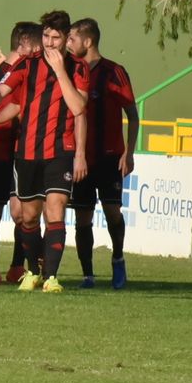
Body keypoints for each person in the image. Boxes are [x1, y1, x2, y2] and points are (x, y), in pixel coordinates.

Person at [0, 14, 89, 293]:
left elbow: (78, 108)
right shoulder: (27, 65)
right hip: (26, 151)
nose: (50, 43)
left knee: (56, 210)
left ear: (65, 39)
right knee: (27, 217)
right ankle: (35, 271)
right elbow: (4, 92)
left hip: (60, 151)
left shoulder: (78, 68)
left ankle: (51, 278)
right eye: (47, 37)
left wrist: (61, 71)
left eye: (56, 38)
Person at [66, 17, 138, 288]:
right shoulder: (71, 70)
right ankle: (88, 275)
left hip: (109, 156)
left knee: (111, 211)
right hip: (81, 158)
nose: (69, 44)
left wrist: (128, 153)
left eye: (73, 39)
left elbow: (132, 113)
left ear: (88, 41)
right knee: (82, 216)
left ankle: (118, 259)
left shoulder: (114, 71)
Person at [0, 23, 38, 283]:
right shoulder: (11, 72)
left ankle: (15, 267)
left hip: (17, 148)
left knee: (19, 211)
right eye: (37, 45)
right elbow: (9, 98)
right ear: (24, 44)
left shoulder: (13, 69)